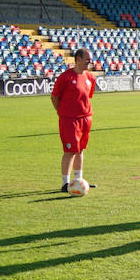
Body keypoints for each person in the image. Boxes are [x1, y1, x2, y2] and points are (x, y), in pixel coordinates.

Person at [51, 46, 96, 193]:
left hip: (86, 118)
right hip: (69, 119)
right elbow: (55, 97)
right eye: (87, 60)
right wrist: (62, 112)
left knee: (80, 150)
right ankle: (65, 183)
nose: (89, 62)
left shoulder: (90, 77)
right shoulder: (65, 77)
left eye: (90, 60)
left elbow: (88, 97)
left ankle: (79, 180)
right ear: (77, 60)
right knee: (70, 150)